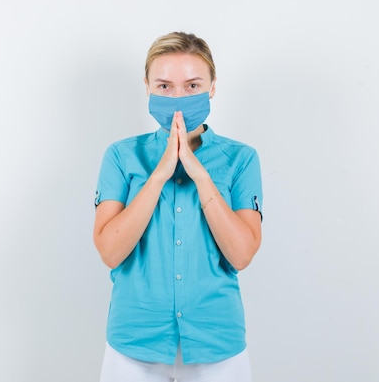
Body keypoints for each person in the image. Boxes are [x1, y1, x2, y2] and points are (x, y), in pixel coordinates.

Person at [93, 31, 263, 382]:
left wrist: (200, 175)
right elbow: (110, 251)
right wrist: (158, 176)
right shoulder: (122, 156)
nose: (178, 97)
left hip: (217, 344)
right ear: (147, 87)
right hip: (134, 344)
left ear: (212, 87)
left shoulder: (242, 159)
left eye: (192, 85)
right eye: (165, 86)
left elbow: (242, 254)